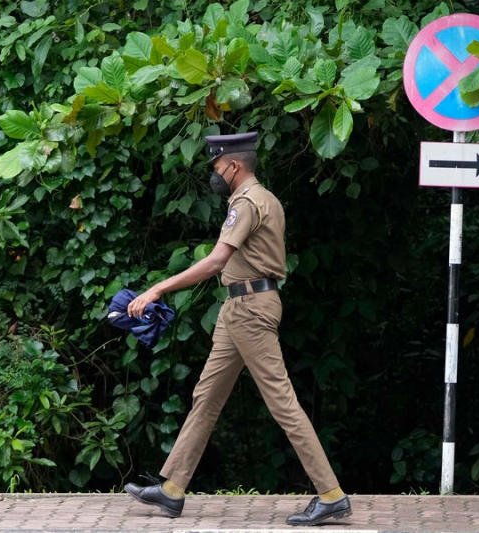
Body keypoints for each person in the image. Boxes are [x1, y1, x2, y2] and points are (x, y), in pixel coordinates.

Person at [123, 132, 352, 526]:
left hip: (250, 309)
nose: (214, 173)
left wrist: (158, 287)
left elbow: (215, 262)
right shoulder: (265, 199)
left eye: (215, 167)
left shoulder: (247, 202)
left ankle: (331, 495)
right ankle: (173, 489)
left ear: (233, 165)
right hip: (238, 307)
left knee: (282, 403)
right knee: (206, 396)